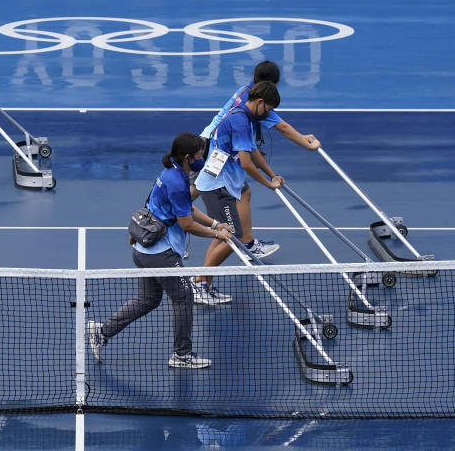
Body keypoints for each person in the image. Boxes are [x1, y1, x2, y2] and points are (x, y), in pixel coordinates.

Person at [87, 133, 234, 370]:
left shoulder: (171, 174)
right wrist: (218, 235)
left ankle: (102, 332)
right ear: (188, 157)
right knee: (184, 297)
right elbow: (186, 224)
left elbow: (188, 209)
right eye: (198, 155)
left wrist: (215, 224)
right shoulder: (177, 182)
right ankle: (182, 355)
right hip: (161, 254)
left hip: (144, 251)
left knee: (148, 299)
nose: (201, 159)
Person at [191, 82, 287, 306]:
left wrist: (273, 174)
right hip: (217, 186)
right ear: (261, 102)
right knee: (232, 237)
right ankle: (197, 283)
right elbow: (246, 163)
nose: (270, 114)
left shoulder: (245, 116)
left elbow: (252, 151)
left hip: (223, 184)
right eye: (269, 109)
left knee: (223, 235)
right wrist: (268, 183)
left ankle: (204, 284)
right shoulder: (240, 121)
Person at [200, 60, 319, 151]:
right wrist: (308, 145)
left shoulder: (245, 90)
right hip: (214, 147)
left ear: (253, 77)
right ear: (276, 83)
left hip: (210, 139)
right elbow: (284, 128)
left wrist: (302, 136)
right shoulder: (258, 103)